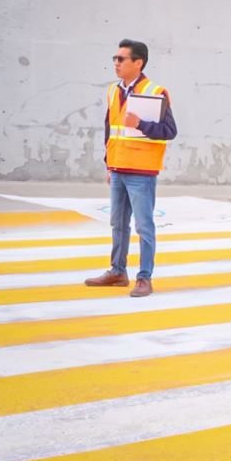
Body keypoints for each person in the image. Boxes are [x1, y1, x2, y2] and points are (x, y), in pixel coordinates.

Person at [84, 39, 178, 298]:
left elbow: (170, 131)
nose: (116, 63)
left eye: (121, 59)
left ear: (138, 63)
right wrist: (108, 164)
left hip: (141, 172)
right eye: (115, 58)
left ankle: (144, 278)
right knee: (117, 223)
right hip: (118, 168)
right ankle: (117, 271)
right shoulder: (113, 91)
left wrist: (141, 124)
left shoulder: (155, 91)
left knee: (144, 226)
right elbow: (109, 130)